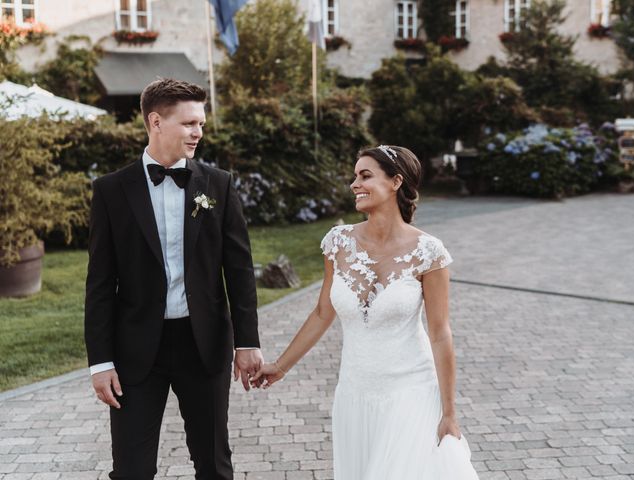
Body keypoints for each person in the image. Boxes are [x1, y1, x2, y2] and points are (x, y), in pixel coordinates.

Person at [252, 145, 480, 478]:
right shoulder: (337, 243)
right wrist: (281, 366)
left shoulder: (428, 252)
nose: (354, 184)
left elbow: (440, 332)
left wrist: (449, 413)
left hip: (412, 393)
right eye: (355, 176)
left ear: (396, 182)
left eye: (365, 176)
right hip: (354, 395)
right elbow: (321, 313)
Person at [84, 78, 263, 480]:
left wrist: (247, 342)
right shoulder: (111, 191)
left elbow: (239, 270)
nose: (198, 132)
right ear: (156, 121)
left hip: (204, 345)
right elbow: (99, 284)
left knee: (214, 465)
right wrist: (100, 362)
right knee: (131, 470)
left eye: (200, 123)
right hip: (135, 352)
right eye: (188, 123)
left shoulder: (219, 184)